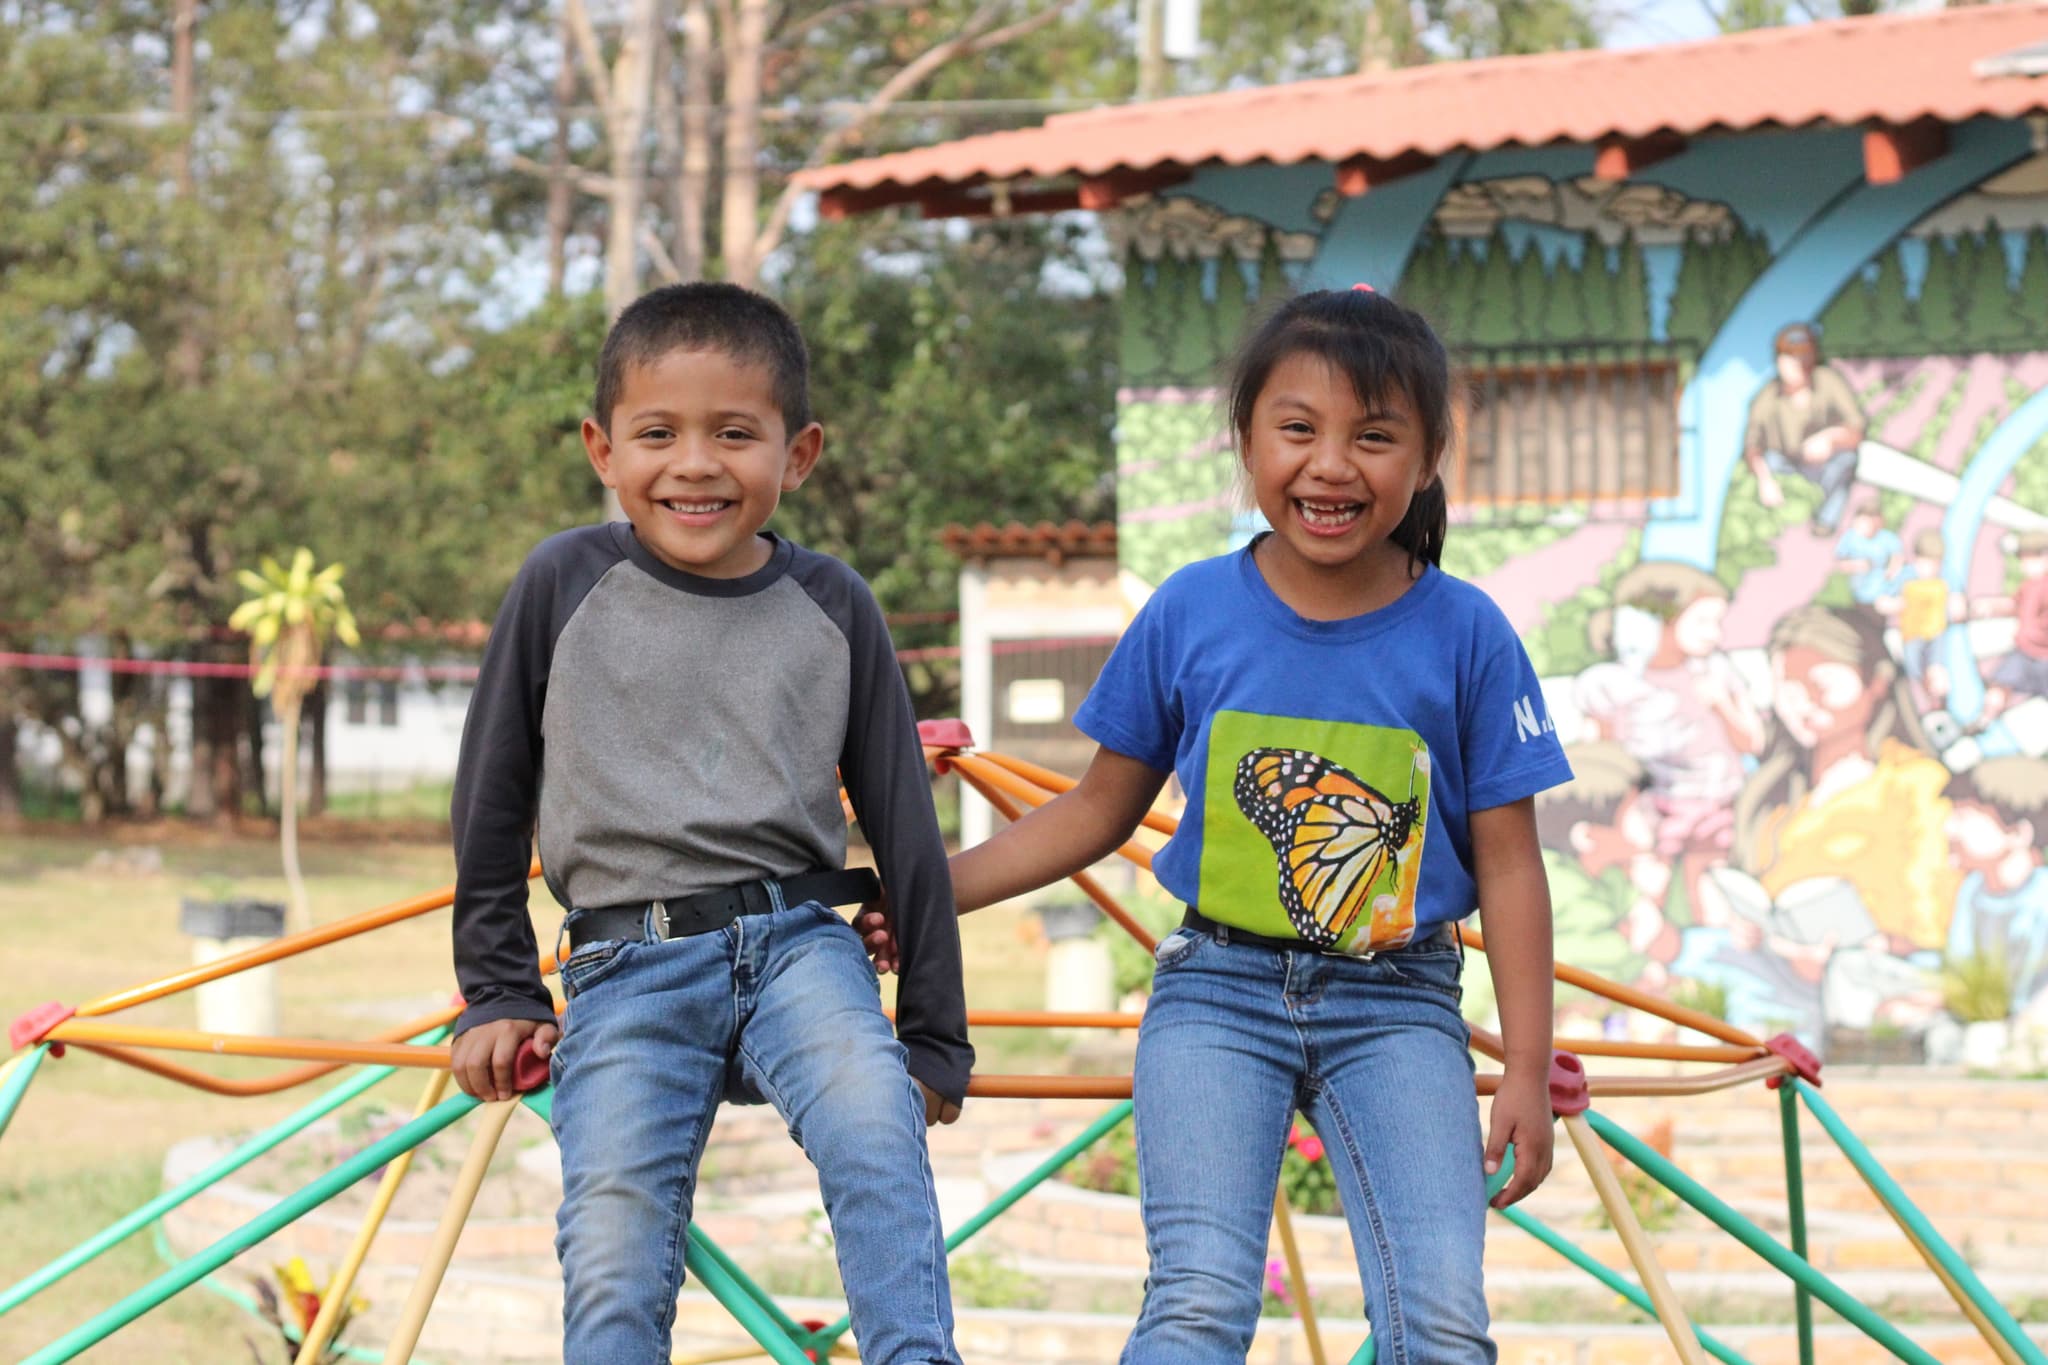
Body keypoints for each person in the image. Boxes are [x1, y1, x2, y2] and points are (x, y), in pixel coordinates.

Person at [873, 287, 1570, 1362]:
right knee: (1197, 1301)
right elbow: (1097, 811)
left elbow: (1513, 870)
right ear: (1245, 442)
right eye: (1296, 430)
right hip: (1215, 991)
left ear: (1428, 458)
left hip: (1398, 1005)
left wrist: (1526, 1066)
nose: (1330, 466)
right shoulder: (1191, 610)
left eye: (1372, 437)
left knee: (1438, 1317)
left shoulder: (1466, 632)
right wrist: (921, 896)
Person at [446, 283, 971, 1364]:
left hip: (800, 950)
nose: (694, 464)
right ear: (601, 448)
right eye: (657, 433)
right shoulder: (561, 583)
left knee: (879, 1137)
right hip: (625, 963)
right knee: (612, 1243)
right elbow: (490, 799)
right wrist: (497, 988)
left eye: (735, 434)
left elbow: (903, 829)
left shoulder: (834, 605)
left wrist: (932, 1033)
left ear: (799, 453)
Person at [1942, 756, 2048, 1016]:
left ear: (2017, 833)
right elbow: (1959, 970)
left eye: (1963, 815)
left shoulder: (2041, 898)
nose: (1948, 829)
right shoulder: (1972, 890)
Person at [1741, 322, 1866, 534]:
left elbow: (1856, 428)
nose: (1792, 365)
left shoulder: (1828, 381)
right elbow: (1752, 447)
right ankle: (1787, 523)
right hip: (1788, 467)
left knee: (1847, 460)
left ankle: (1825, 522)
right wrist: (1765, 481)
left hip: (1825, 468)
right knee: (1770, 462)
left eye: (1800, 358)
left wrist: (1831, 437)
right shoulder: (1767, 398)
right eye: (1787, 358)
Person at [1834, 498, 1903, 605]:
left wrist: (1891, 574)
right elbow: (1838, 563)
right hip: (1853, 592)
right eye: (1861, 522)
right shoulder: (1850, 537)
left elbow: (1897, 560)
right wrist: (1856, 565)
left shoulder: (1888, 538)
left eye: (1869, 522)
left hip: (1879, 595)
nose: (1863, 527)